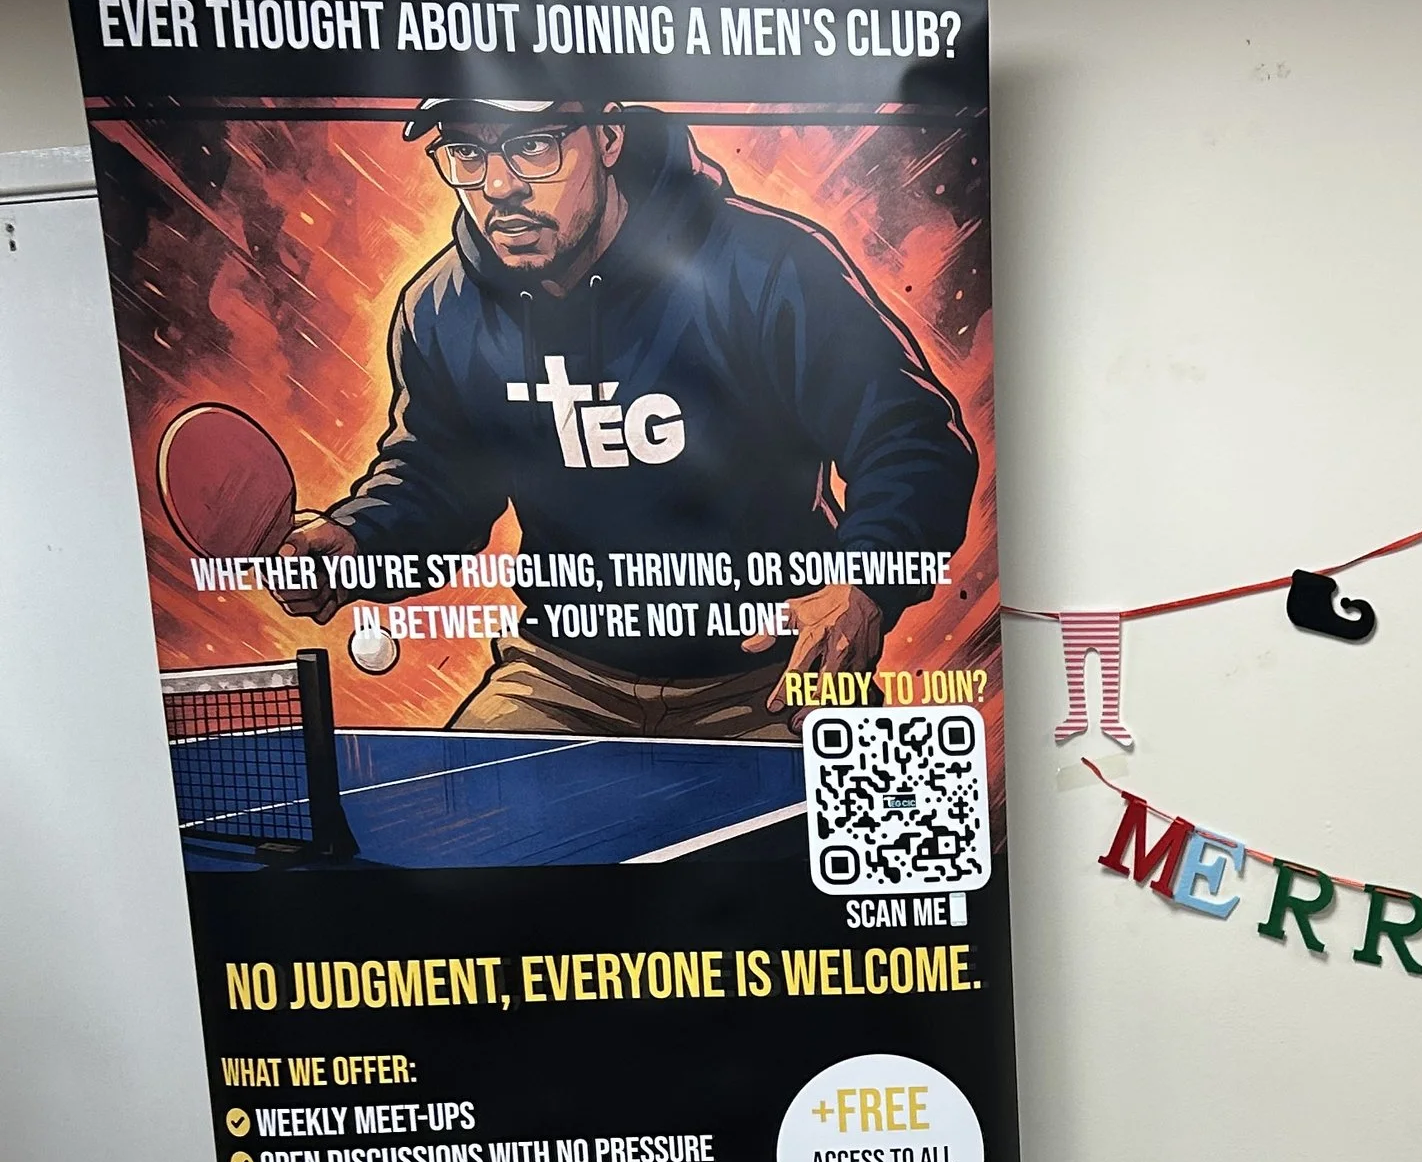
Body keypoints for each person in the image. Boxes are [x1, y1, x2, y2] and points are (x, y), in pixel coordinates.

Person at [281, 92, 978, 735]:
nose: (499, 186)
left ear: (608, 137)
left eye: (535, 145)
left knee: (854, 857)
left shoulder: (772, 267)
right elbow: (434, 481)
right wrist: (358, 538)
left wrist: (863, 583)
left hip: (780, 675)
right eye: (468, 154)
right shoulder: (440, 310)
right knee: (443, 847)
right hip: (560, 677)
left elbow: (912, 439)